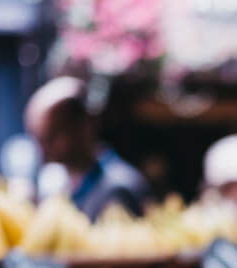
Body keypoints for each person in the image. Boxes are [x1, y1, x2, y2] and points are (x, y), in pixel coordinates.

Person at [24, 76, 151, 219]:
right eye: (38, 139)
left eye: (51, 137)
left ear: (85, 125)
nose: (42, 148)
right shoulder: (55, 182)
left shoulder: (120, 189)